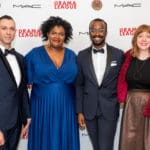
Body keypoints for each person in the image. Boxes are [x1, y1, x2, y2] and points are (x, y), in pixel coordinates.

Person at [25, 16, 80, 150]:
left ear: (66, 36)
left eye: (61, 34)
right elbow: (20, 82)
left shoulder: (72, 55)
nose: (57, 36)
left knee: (65, 139)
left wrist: (80, 110)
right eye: (53, 33)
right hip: (41, 107)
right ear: (47, 33)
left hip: (67, 107)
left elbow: (79, 84)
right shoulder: (34, 54)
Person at [75, 18, 124, 150]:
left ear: (106, 32)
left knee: (105, 147)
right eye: (93, 30)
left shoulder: (118, 54)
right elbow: (79, 85)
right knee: (97, 147)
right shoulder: (81, 55)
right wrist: (79, 111)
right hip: (89, 109)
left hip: (109, 108)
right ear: (89, 32)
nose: (97, 33)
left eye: (101, 30)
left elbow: (123, 80)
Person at [0, 15, 30, 150]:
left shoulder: (20, 58)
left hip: (16, 124)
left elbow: (22, 90)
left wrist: (27, 117)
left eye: (12, 29)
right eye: (4, 28)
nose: (8, 32)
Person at [117, 24, 150, 150]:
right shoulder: (127, 57)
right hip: (130, 105)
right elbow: (120, 80)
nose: (144, 39)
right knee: (130, 141)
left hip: (148, 106)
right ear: (135, 39)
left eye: (148, 36)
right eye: (140, 36)